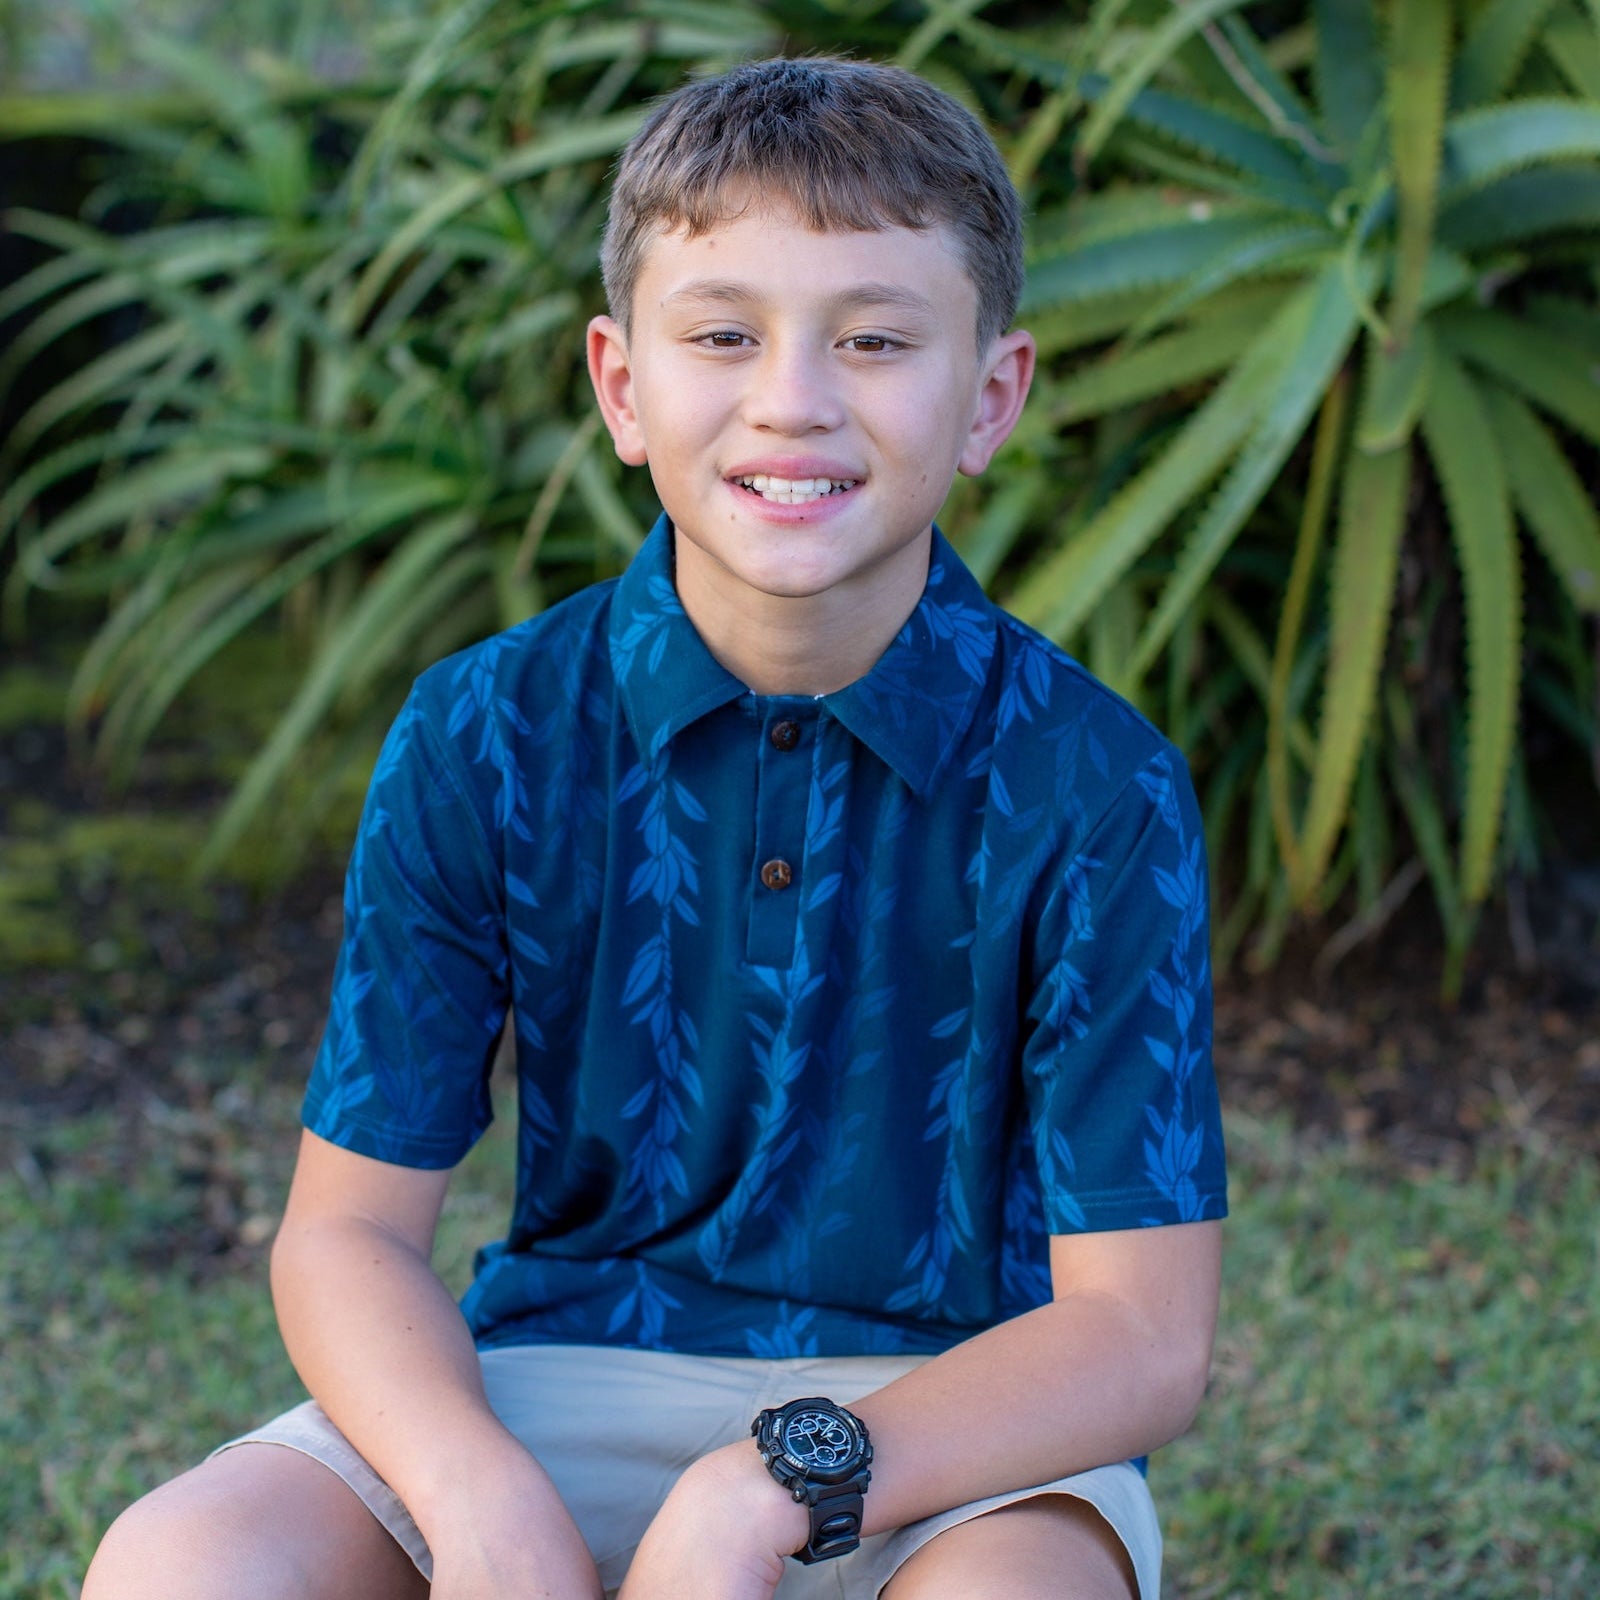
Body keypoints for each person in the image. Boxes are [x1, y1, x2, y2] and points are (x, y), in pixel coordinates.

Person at [83, 54, 1226, 1600]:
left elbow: (1142, 1336)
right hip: (551, 1379)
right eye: (723, 336)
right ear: (625, 387)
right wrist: (480, 1499)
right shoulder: (485, 728)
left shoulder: (1098, 783)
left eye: (877, 338)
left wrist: (765, 1489)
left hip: (948, 1436)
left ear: (991, 396)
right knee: (183, 1566)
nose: (795, 400)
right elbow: (343, 1233)